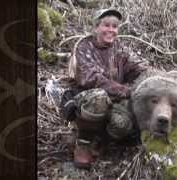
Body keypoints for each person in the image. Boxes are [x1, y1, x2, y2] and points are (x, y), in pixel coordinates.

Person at [61, 8, 148, 169]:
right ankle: (83, 142)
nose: (111, 30)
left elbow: (139, 68)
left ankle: (100, 141)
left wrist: (154, 78)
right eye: (106, 25)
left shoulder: (120, 49)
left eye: (115, 26)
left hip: (114, 100)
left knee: (123, 124)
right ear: (96, 27)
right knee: (99, 97)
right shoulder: (83, 47)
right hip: (85, 100)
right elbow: (91, 79)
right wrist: (125, 90)